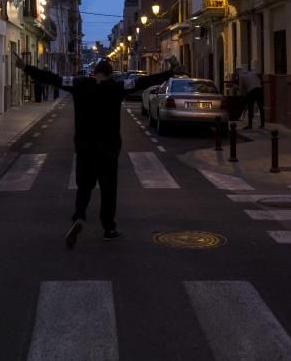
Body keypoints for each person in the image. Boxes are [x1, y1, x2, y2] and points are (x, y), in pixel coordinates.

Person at [14, 54, 181, 247]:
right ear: (110, 75)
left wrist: (26, 67)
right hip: (109, 149)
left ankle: (79, 216)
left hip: (85, 148)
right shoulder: (117, 87)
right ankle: (109, 228)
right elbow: (144, 81)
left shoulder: (79, 85)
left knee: (84, 186)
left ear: (94, 73)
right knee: (109, 189)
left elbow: (53, 78)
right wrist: (170, 72)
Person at [236, 65, 265, 129]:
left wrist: (236, 87)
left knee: (250, 106)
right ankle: (262, 124)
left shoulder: (241, 76)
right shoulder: (252, 73)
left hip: (252, 90)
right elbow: (259, 81)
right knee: (261, 107)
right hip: (260, 89)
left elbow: (241, 89)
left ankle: (249, 125)